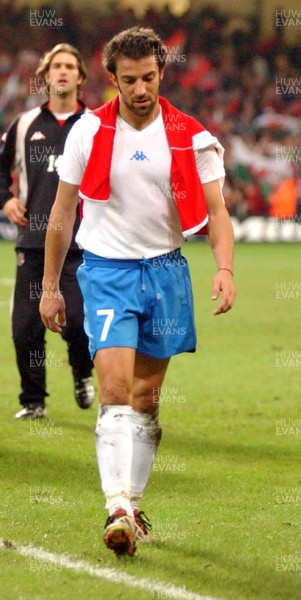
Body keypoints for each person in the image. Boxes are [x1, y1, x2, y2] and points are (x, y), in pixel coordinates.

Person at [39, 27, 236, 556]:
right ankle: (116, 506)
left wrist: (224, 268)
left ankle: (134, 503)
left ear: (162, 74)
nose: (141, 88)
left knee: (147, 400)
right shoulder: (87, 131)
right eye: (130, 80)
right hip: (107, 272)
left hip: (167, 273)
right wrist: (50, 285)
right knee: (116, 388)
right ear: (112, 80)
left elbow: (218, 212)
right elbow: (61, 213)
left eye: (149, 77)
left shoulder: (191, 136)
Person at [0, 43, 95, 419]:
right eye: (57, 66)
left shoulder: (95, 125)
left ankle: (81, 372)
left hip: (82, 242)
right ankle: (33, 401)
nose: (63, 72)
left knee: (77, 322)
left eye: (71, 66)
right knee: (25, 327)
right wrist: (6, 200)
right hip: (33, 240)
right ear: (45, 74)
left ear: (81, 77)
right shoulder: (24, 124)